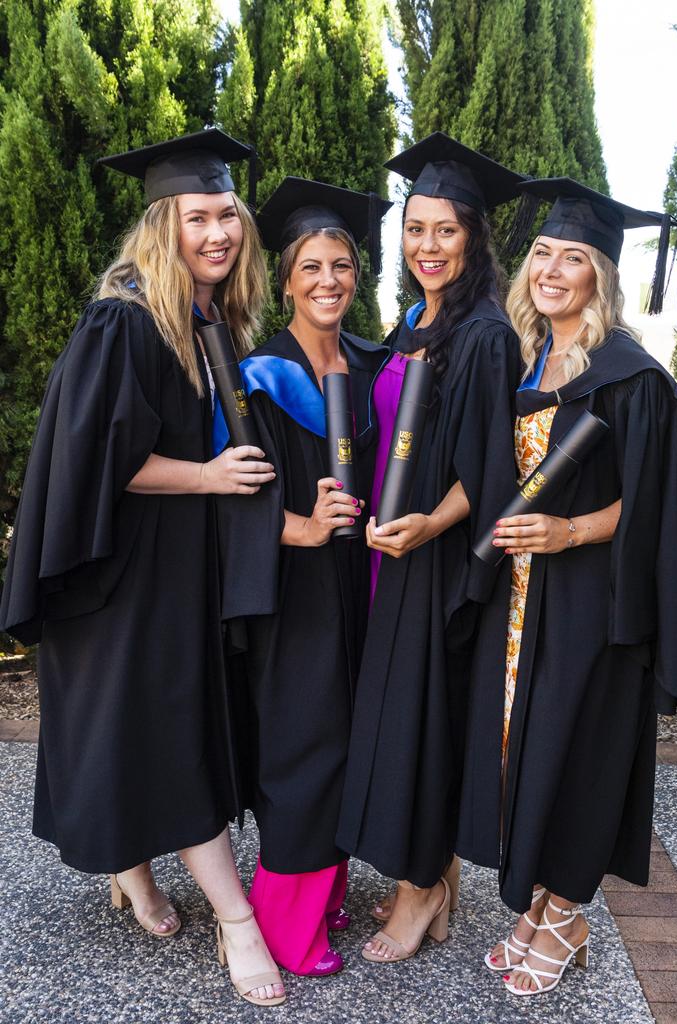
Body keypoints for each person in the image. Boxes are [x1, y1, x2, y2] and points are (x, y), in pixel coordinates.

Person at [0, 130, 286, 1008]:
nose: (218, 234)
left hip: (168, 569)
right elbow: (97, 461)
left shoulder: (202, 319)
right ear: (163, 224)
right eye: (198, 217)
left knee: (139, 727)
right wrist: (207, 476)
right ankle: (236, 919)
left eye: (227, 216)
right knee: (168, 731)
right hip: (119, 574)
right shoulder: (123, 319)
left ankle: (135, 877)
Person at [457, 177, 677, 996]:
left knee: (580, 754)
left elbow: (658, 501)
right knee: (521, 756)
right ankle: (536, 906)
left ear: (602, 274)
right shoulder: (530, 360)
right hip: (521, 604)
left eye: (574, 257)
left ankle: (567, 916)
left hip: (592, 603)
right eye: (541, 253)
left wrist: (569, 530)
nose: (552, 270)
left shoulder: (631, 375)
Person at [335, 133, 527, 963]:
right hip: (390, 549)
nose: (428, 246)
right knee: (416, 715)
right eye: (416, 230)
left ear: (475, 236)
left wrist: (429, 526)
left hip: (436, 558)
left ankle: (421, 895)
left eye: (445, 230)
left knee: (424, 720)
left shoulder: (484, 334)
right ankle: (436, 886)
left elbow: (490, 471)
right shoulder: (416, 320)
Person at [213, 177, 392, 977]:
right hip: (290, 588)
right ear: (285, 279)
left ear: (358, 276)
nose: (329, 282)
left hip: (363, 580)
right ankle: (286, 922)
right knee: (304, 740)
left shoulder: (371, 362)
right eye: (312, 267)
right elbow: (227, 496)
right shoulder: (257, 375)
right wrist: (303, 526)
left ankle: (327, 891)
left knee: (351, 732)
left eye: (342, 266)